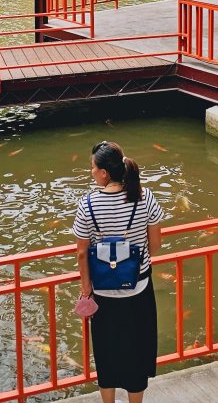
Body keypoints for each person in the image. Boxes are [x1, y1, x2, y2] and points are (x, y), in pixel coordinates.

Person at [73, 141, 165, 403]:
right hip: (139, 288)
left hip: (102, 291)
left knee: (107, 351)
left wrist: (86, 288)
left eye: (92, 168)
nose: (91, 172)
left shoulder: (87, 205)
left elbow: (81, 253)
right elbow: (155, 245)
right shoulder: (144, 196)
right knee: (136, 350)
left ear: (104, 173)